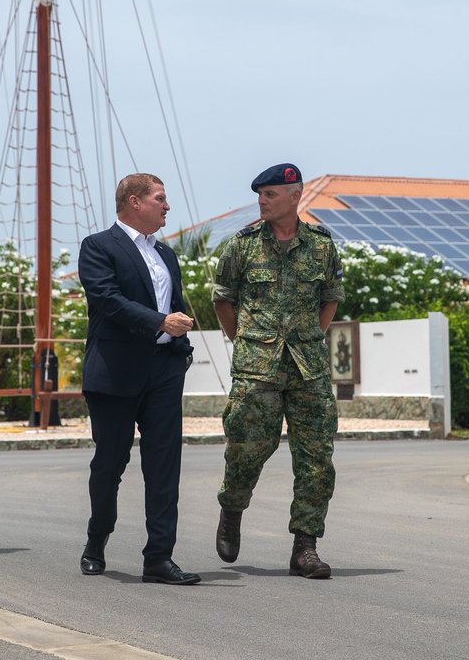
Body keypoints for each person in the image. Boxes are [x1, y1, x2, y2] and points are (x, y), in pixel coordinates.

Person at [211, 163, 344, 579]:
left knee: (316, 459)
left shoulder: (322, 246)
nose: (262, 201)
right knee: (248, 449)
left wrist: (308, 340)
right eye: (260, 194)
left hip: (309, 369)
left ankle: (305, 547)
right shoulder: (243, 245)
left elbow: (330, 298)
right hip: (257, 369)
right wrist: (249, 342)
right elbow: (222, 299)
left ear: (294, 195)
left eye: (270, 194)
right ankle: (232, 507)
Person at [76, 173, 200, 585]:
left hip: (164, 369)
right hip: (115, 371)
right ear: (134, 202)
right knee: (110, 463)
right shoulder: (98, 246)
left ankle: (159, 558)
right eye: (160, 199)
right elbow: (108, 300)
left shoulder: (166, 255)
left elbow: (174, 303)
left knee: (165, 465)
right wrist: (160, 321)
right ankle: (96, 541)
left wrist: (180, 346)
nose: (167, 206)